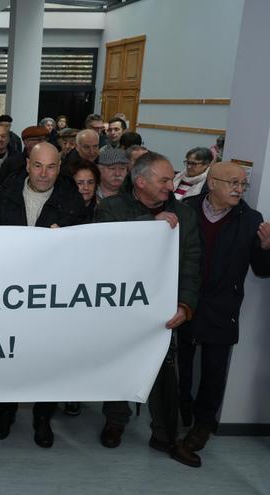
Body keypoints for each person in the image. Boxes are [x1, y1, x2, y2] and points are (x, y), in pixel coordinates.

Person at [94, 151, 202, 468]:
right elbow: (105, 247)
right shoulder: (111, 208)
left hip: (163, 311)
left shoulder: (184, 214)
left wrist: (185, 304)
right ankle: (115, 421)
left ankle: (166, 436)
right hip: (119, 307)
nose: (171, 185)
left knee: (165, 375)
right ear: (141, 181)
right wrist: (148, 225)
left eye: (171, 178)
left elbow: (192, 263)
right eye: (165, 179)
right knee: (118, 366)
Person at [0, 143, 87, 448]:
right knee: (10, 358)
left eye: (52, 167)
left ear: (60, 168)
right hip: (10, 295)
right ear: (28, 164)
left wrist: (67, 243)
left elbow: (87, 249)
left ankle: (43, 417)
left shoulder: (73, 201)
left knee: (49, 360)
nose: (44, 173)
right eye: (38, 165)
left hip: (51, 298)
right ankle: (7, 411)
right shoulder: (5, 194)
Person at [177, 162, 270, 461]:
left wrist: (267, 249)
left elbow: (262, 269)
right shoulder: (186, 209)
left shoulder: (250, 219)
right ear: (212, 183)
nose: (239, 189)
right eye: (233, 183)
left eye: (243, 185)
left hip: (222, 306)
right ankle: (180, 411)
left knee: (214, 372)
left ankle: (203, 424)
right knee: (180, 362)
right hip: (185, 300)